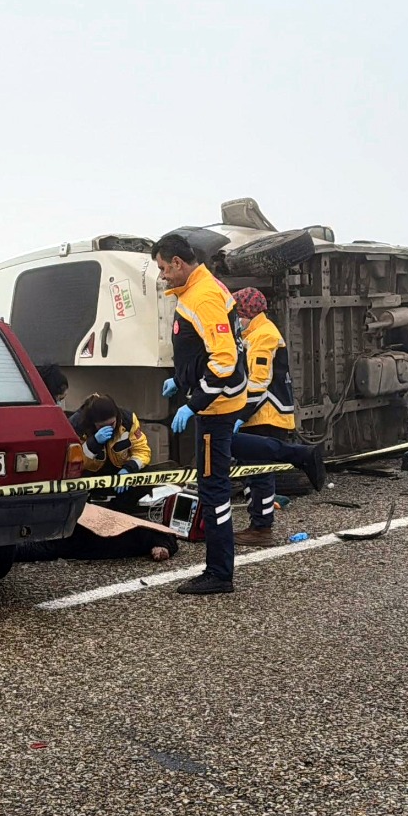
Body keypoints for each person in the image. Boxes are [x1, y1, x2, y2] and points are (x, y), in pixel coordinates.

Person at [152, 233, 248, 595]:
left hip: (216, 408)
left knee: (213, 491)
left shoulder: (203, 295)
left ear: (178, 263)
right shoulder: (198, 289)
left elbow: (224, 360)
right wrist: (181, 380)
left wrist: (194, 404)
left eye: (163, 268)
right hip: (216, 402)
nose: (162, 275)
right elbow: (202, 351)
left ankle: (219, 573)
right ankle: (300, 456)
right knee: (216, 477)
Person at [227, 287, 327, 547]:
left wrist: (238, 414)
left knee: (259, 473)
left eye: (237, 315)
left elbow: (259, 382)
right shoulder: (253, 333)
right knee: (253, 472)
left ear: (246, 313)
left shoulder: (263, 335)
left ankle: (261, 529)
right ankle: (259, 523)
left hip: (265, 414)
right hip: (261, 414)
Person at [67, 392, 153, 502]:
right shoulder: (77, 425)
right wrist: (93, 444)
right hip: (92, 474)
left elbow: (142, 450)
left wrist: (129, 469)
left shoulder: (128, 420)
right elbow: (76, 462)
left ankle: (120, 510)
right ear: (93, 423)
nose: (109, 428)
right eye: (102, 426)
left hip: (120, 470)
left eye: (112, 424)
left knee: (146, 474)